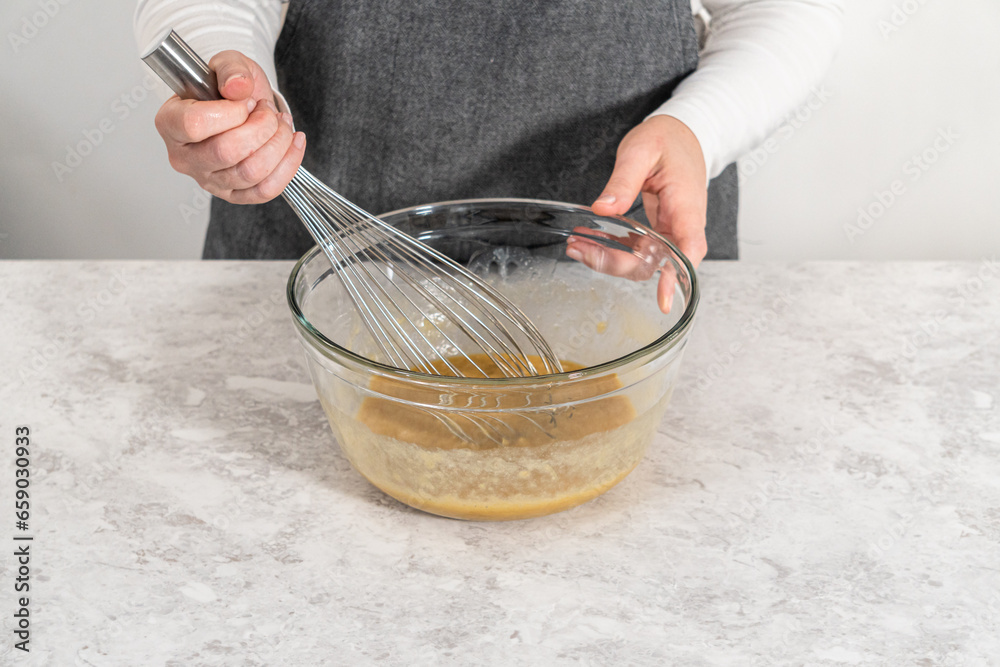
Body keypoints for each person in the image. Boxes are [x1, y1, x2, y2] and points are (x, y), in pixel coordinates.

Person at [136, 0, 842, 278]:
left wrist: (698, 129)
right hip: (314, 275)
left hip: (618, 285)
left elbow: (786, 12)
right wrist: (227, 73)